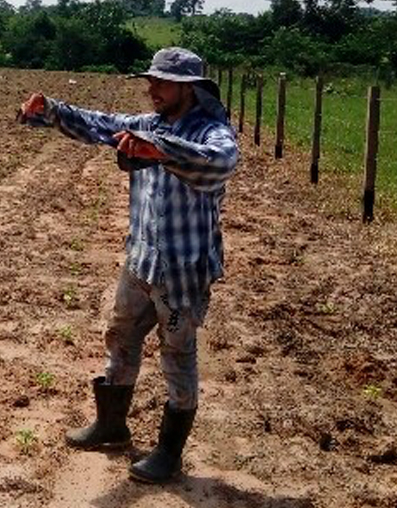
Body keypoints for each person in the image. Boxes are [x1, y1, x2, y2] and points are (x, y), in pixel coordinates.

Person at [17, 47, 238, 483]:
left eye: (161, 82)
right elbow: (101, 124)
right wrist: (52, 111)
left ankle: (169, 454)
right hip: (141, 260)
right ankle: (112, 426)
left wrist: (158, 150)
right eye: (150, 80)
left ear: (188, 88)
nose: (151, 88)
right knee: (119, 336)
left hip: (182, 271)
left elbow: (221, 164)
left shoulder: (212, 132)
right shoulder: (146, 124)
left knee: (177, 355)